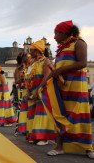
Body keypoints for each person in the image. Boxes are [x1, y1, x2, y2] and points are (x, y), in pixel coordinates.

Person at [40, 20, 94, 158]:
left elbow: (82, 63)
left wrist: (60, 69)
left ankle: (88, 148)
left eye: (56, 33)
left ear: (64, 32)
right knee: (60, 115)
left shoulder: (79, 43)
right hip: (62, 87)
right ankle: (59, 147)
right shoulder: (62, 48)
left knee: (81, 115)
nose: (54, 37)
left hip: (77, 87)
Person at [25, 39, 56, 145]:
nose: (30, 53)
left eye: (32, 50)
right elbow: (28, 78)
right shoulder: (32, 64)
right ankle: (34, 135)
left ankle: (43, 138)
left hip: (42, 90)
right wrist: (28, 91)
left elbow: (47, 77)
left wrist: (38, 91)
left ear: (38, 51)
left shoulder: (46, 61)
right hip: (33, 92)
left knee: (41, 113)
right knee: (33, 114)